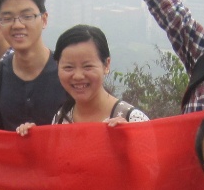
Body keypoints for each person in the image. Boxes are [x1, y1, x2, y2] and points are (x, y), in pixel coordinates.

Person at [15, 26, 149, 135]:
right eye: (68, 67)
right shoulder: (60, 119)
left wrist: (131, 139)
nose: (78, 76)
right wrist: (33, 139)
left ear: (106, 65)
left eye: (87, 66)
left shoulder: (133, 119)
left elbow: (152, 160)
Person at [0, 0, 69, 129]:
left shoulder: (67, 73)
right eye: (7, 18)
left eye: (27, 16)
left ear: (44, 19)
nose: (17, 25)